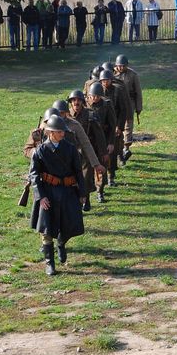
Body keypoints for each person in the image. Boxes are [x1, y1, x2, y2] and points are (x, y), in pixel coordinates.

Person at [28, 114, 86, 276]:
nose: (63, 134)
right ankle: (50, 263)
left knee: (69, 225)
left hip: (67, 192)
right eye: (59, 132)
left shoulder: (70, 148)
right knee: (46, 230)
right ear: (50, 133)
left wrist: (82, 193)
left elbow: (78, 172)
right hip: (48, 193)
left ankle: (61, 242)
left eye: (63, 132)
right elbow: (33, 175)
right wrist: (41, 197)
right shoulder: (40, 151)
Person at [67, 90, 107, 211]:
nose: (76, 102)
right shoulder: (66, 115)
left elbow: (99, 136)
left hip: (86, 152)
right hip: (70, 152)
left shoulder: (90, 115)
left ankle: (86, 198)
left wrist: (103, 152)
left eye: (78, 100)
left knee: (85, 177)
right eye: (73, 100)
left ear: (83, 102)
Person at [99, 69, 131, 186]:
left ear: (111, 80)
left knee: (113, 153)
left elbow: (123, 110)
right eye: (102, 80)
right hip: (102, 127)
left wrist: (119, 126)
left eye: (106, 80)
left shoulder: (117, 91)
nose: (104, 82)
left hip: (115, 126)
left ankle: (111, 176)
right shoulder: (99, 91)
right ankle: (102, 179)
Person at [87, 82, 116, 203]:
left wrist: (111, 142)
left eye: (97, 96)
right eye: (92, 96)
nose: (94, 98)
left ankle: (100, 191)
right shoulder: (84, 105)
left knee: (102, 165)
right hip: (88, 141)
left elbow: (112, 125)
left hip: (102, 140)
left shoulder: (106, 105)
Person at [113, 54, 142, 165]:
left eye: (123, 66)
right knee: (117, 125)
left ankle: (126, 147)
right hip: (116, 104)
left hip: (129, 103)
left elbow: (138, 92)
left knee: (128, 125)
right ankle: (118, 147)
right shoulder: (112, 74)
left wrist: (139, 107)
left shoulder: (133, 75)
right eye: (119, 66)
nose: (121, 68)